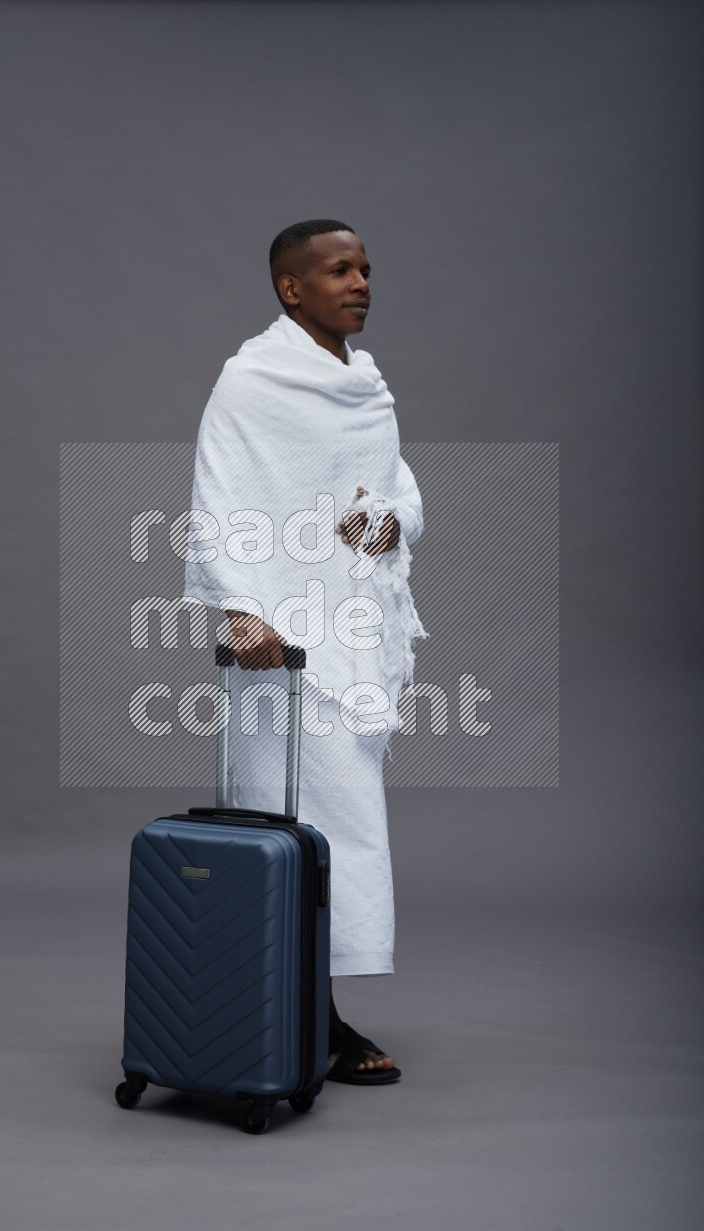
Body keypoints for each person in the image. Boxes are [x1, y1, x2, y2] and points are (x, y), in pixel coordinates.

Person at [182, 219, 426, 1084]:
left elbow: (397, 492)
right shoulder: (251, 380)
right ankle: (309, 1019)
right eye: (339, 270)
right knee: (292, 823)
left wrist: (389, 524)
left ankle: (303, 1010)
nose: (360, 283)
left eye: (365, 268)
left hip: (354, 634)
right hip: (279, 644)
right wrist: (240, 609)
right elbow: (217, 494)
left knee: (342, 825)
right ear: (292, 288)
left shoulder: (365, 383)